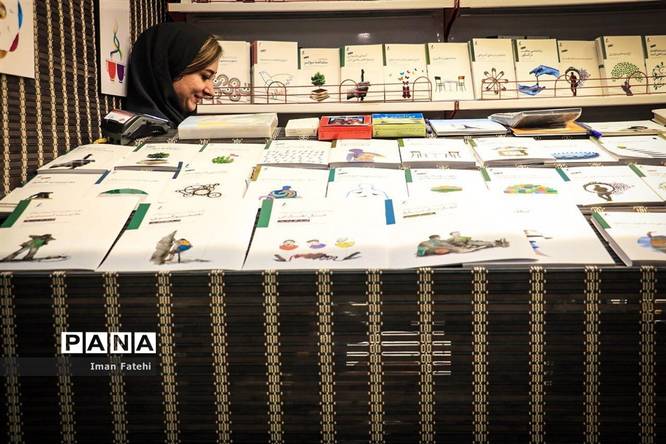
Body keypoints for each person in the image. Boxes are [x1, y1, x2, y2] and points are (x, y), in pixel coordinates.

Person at [125, 22, 222, 125]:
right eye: (205, 76)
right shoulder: (148, 131)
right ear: (170, 68)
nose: (211, 91)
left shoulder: (177, 124)